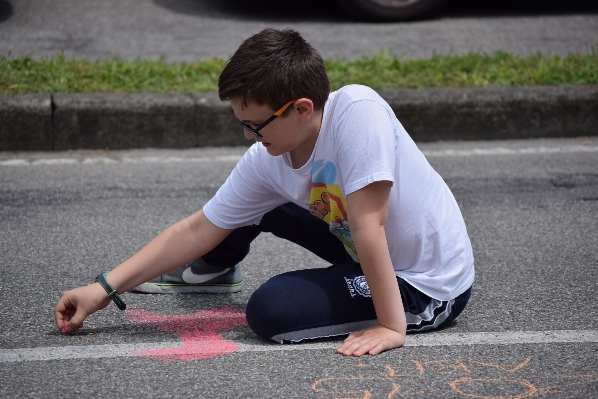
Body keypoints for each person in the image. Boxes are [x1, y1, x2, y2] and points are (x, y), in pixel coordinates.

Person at [54, 28, 474, 357]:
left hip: (424, 282)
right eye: (241, 123)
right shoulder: (268, 155)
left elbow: (368, 225)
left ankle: (397, 313)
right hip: (364, 248)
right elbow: (199, 227)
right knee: (255, 206)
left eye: (255, 125)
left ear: (302, 108)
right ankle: (214, 272)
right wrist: (103, 288)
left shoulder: (358, 113)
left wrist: (390, 326)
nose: (248, 136)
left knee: (271, 309)